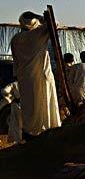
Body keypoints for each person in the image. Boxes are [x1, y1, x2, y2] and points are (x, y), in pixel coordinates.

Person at [10, 11, 61, 139]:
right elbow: (55, 24)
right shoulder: (38, 34)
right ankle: (47, 131)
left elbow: (15, 62)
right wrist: (39, 16)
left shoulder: (15, 39)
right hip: (42, 77)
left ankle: (29, 132)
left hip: (25, 78)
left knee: (29, 106)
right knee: (45, 103)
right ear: (33, 23)